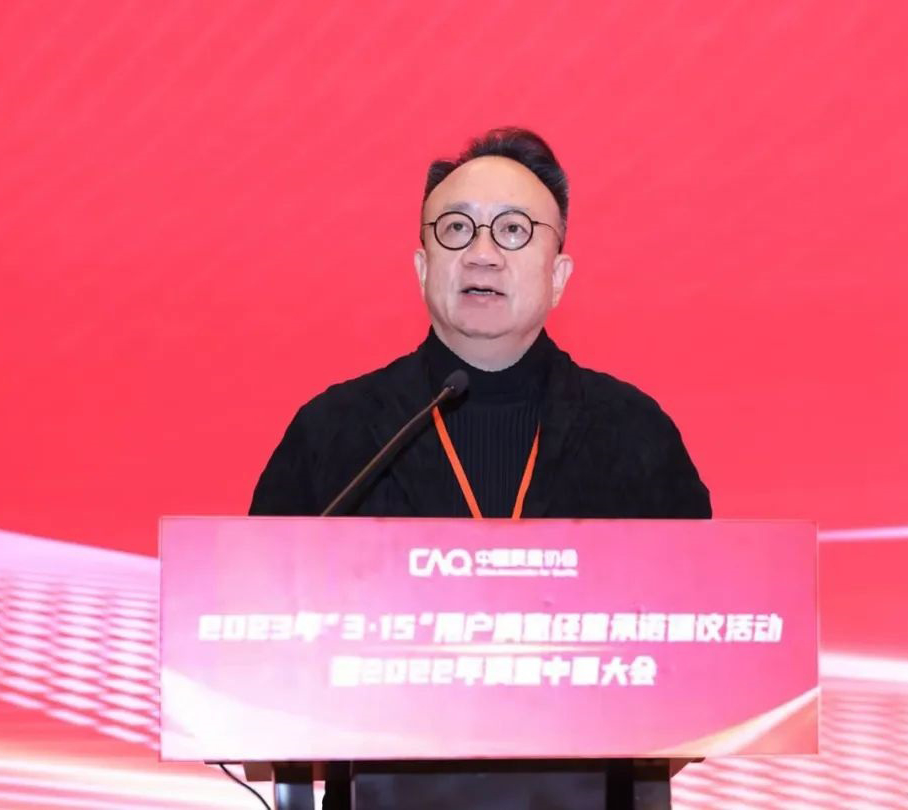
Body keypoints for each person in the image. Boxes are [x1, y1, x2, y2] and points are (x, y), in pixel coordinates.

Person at [250, 127, 710, 809]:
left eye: (514, 230)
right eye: (456, 229)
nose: (483, 253)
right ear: (421, 266)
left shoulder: (635, 435)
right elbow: (259, 643)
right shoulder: (336, 433)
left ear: (559, 275)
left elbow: (702, 662)